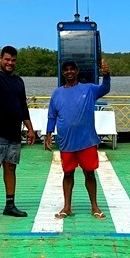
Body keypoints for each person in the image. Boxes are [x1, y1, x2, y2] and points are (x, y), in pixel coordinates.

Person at [44, 58, 111, 219]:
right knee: (68, 174)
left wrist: (106, 75)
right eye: (66, 69)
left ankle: (94, 206)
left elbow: (105, 88)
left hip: (86, 141)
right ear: (62, 72)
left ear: (77, 71)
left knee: (90, 173)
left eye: (72, 69)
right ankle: (67, 207)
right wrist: (48, 133)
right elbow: (52, 115)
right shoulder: (57, 93)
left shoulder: (89, 89)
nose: (69, 71)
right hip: (66, 141)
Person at [0, 46, 36, 222]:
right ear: (0, 60)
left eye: (13, 60)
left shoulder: (19, 81)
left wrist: (30, 128)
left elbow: (23, 107)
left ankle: (10, 205)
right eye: (6, 59)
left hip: (14, 132)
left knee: (11, 168)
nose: (10, 63)